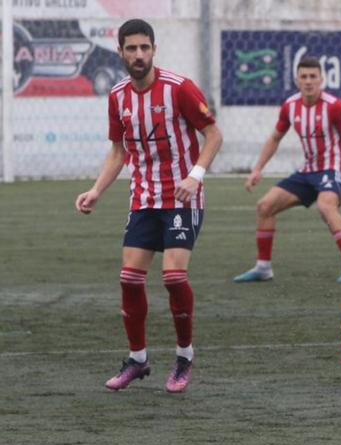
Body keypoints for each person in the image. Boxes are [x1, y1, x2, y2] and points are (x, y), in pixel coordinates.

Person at [75, 19, 223, 393]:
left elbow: (213, 133)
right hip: (143, 198)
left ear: (153, 49)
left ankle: (184, 356)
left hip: (182, 196)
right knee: (129, 279)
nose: (139, 55)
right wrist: (96, 190)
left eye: (145, 48)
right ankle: (138, 360)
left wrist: (196, 174)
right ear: (121, 51)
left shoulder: (179, 88)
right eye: (131, 49)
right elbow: (118, 151)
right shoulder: (118, 96)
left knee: (173, 278)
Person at [233, 56, 341, 284]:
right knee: (265, 206)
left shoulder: (335, 106)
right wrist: (257, 169)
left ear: (321, 79)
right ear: (297, 79)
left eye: (313, 77)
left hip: (332, 168)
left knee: (326, 205)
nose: (308, 81)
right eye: (304, 76)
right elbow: (275, 137)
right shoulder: (290, 106)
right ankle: (263, 267)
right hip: (308, 171)